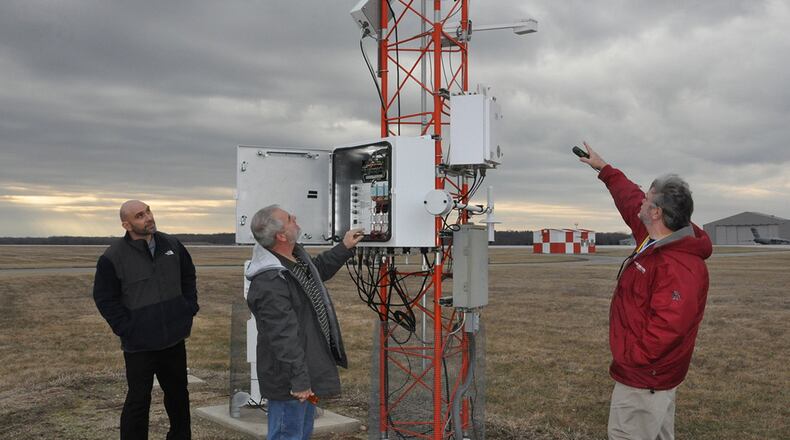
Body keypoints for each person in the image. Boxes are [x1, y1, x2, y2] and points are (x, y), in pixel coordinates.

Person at [577, 142, 712, 440]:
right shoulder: (653, 237)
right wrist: (604, 169)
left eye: (647, 199)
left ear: (656, 212)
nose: (640, 200)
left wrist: (632, 358)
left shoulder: (678, 265)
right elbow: (629, 197)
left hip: (645, 378)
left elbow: (669, 327)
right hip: (652, 377)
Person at [245, 204, 363, 440]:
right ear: (281, 235)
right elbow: (283, 337)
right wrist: (299, 381)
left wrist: (344, 247)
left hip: (304, 371)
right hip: (289, 379)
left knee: (301, 432)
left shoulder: (293, 258)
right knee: (288, 434)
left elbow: (316, 272)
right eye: (289, 219)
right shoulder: (270, 280)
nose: (295, 218)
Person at [93, 200, 199, 440]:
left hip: (173, 338)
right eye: (140, 215)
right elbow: (104, 298)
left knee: (179, 397)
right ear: (126, 224)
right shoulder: (113, 257)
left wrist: (188, 308)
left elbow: (188, 276)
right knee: (138, 401)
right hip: (139, 344)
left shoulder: (172, 245)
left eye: (148, 211)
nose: (148, 217)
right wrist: (126, 328)